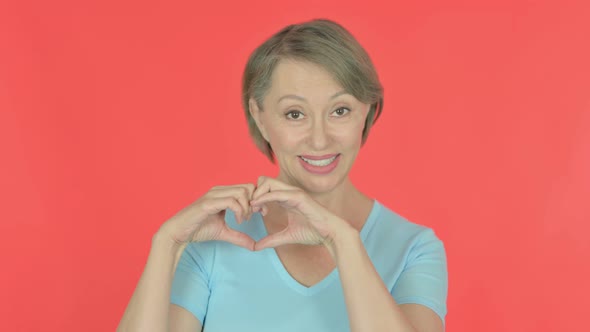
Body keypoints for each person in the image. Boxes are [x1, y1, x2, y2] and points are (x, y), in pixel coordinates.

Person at [117, 18, 448, 332]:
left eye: (340, 110)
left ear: (368, 111)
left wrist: (342, 241)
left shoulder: (413, 248)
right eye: (294, 113)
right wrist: (167, 244)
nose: (319, 139)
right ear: (260, 118)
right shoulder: (215, 240)